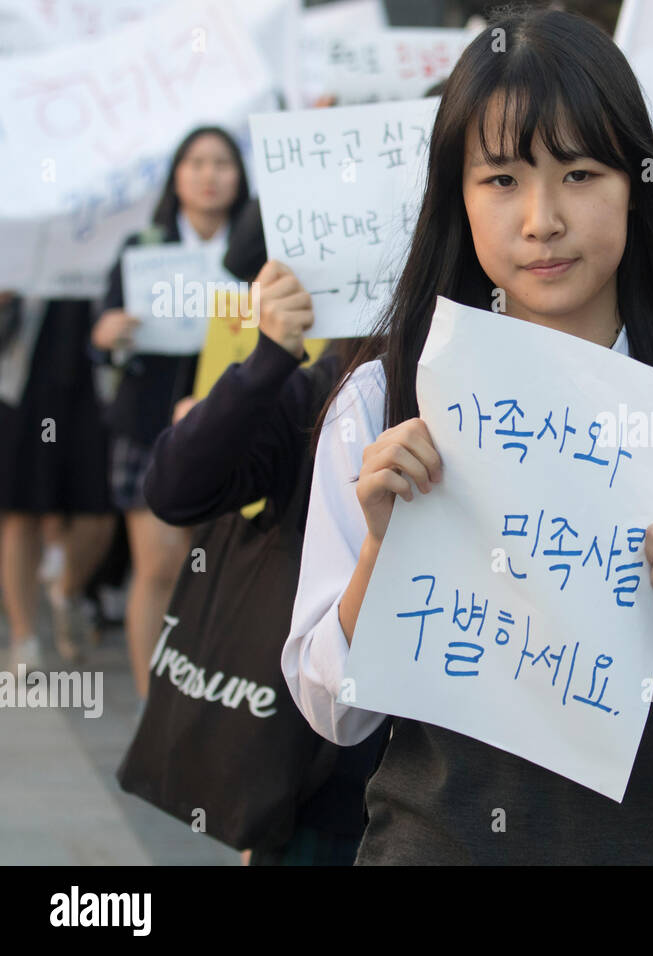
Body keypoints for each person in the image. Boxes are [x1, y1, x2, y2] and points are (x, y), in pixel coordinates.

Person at [283, 8, 653, 865]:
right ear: (456, 197)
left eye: (578, 174)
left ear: (638, 183)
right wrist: (380, 556)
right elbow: (332, 709)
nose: (540, 219)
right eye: (501, 179)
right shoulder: (386, 403)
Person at [142, 225, 387, 865]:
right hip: (322, 779)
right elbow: (175, 489)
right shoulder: (322, 389)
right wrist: (269, 356)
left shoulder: (523, 390)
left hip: (477, 787)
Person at [91, 126, 249, 698]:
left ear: (240, 175)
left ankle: (207, 701)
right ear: (177, 175)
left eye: (222, 164)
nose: (209, 175)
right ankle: (152, 700)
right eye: (196, 163)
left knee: (220, 572)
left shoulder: (258, 249)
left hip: (233, 423)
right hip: (149, 423)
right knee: (158, 569)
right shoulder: (145, 246)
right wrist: (110, 333)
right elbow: (102, 333)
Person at [0, 294, 116, 671]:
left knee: (98, 511)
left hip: (93, 380)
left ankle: (65, 591)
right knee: (22, 512)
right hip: (28, 381)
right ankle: (24, 636)